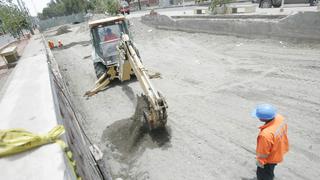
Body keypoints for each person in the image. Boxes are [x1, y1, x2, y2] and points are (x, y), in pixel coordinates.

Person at [252, 104, 289, 180]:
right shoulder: (280, 118)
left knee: (264, 175)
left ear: (262, 119)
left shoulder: (265, 135)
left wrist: (260, 163)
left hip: (269, 160)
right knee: (270, 171)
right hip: (279, 150)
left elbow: (262, 153)